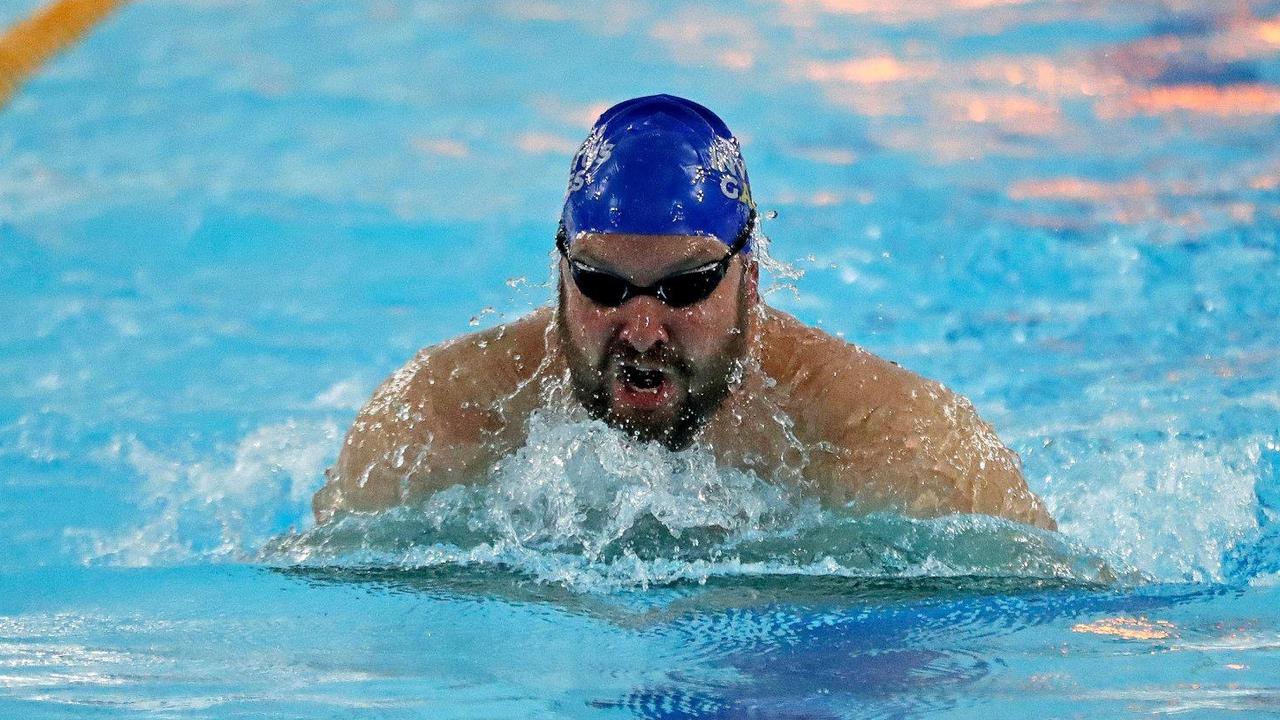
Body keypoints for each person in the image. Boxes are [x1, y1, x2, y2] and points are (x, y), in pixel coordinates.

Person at [312, 94, 1055, 530]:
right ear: (560, 273)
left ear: (750, 282)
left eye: (686, 287)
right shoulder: (441, 418)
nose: (641, 330)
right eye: (604, 287)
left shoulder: (891, 442)